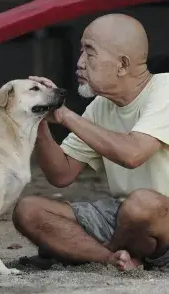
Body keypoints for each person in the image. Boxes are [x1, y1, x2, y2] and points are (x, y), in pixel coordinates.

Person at [12, 13, 169, 271]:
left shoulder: (166, 89)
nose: (80, 63)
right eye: (80, 51)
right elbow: (61, 175)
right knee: (28, 210)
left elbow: (133, 154)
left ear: (122, 64)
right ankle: (114, 259)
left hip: (157, 216)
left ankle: (105, 251)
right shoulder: (101, 106)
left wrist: (63, 115)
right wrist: (39, 120)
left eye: (90, 53)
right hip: (124, 218)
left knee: (142, 205)